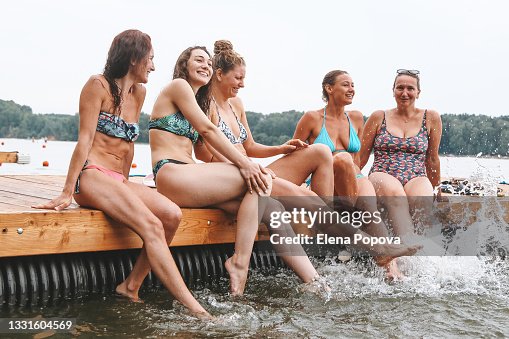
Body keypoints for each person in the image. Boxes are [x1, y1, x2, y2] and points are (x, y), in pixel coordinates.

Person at [195, 41, 421, 268]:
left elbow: (250, 146)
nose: (242, 84)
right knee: (327, 174)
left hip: (255, 169)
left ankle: (376, 254)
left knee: (323, 153)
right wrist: (242, 164)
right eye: (238, 78)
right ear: (220, 74)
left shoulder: (236, 104)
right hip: (234, 173)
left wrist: (282, 148)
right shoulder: (206, 106)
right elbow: (203, 153)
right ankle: (357, 238)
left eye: (243, 78)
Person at [33, 30, 210, 317]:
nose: (153, 66)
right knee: (151, 226)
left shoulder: (138, 93)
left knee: (171, 215)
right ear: (134, 59)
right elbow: (85, 140)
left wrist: (125, 187)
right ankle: (196, 310)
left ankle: (130, 286)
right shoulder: (97, 86)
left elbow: (127, 148)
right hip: (90, 176)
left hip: (117, 179)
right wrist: (67, 191)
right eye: (150, 59)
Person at [293, 70, 404, 277]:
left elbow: (358, 161)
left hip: (354, 179)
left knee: (369, 206)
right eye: (345, 85)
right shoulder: (312, 118)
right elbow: (296, 157)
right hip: (324, 182)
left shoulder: (356, 118)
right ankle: (348, 223)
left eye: (353, 85)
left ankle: (391, 268)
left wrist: (356, 181)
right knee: (342, 159)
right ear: (329, 88)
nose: (351, 89)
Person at [359, 69, 442, 237]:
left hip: (416, 175)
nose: (405, 93)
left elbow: (432, 159)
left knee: (422, 201)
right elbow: (360, 157)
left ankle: (422, 253)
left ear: (418, 92)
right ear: (393, 91)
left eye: (410, 88)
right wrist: (352, 184)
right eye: (400, 88)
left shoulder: (431, 117)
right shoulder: (378, 117)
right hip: (382, 173)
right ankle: (407, 249)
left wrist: (437, 187)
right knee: (397, 197)